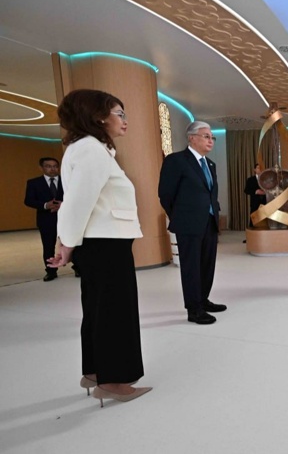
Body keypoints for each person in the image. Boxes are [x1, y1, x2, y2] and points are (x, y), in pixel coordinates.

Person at [47, 89, 151, 405]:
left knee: (98, 309)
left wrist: (67, 242)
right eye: (119, 113)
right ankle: (114, 381)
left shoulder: (86, 149)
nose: (125, 120)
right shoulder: (91, 150)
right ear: (98, 116)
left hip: (100, 243)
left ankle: (95, 371)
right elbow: (77, 203)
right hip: (106, 244)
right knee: (115, 313)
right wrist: (66, 244)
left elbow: (75, 202)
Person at [158, 121, 226, 325]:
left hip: (209, 222)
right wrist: (180, 216)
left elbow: (210, 194)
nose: (210, 140)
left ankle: (203, 300)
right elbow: (165, 194)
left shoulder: (210, 164)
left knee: (207, 265)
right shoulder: (176, 160)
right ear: (192, 138)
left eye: (212, 137)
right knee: (191, 267)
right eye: (206, 136)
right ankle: (194, 309)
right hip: (188, 224)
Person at [24, 157, 64, 281]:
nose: (52, 169)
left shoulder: (66, 180)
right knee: (48, 246)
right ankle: (51, 271)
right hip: (46, 219)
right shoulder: (34, 183)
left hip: (65, 218)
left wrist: (63, 205)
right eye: (48, 166)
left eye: (55, 166)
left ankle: (77, 268)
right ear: (41, 168)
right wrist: (46, 205)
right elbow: (28, 200)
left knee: (72, 244)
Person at [243, 163, 266, 227]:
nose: (260, 169)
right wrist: (256, 191)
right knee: (253, 221)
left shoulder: (266, 179)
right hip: (255, 203)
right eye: (258, 168)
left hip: (264, 203)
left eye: (261, 168)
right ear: (255, 170)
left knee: (264, 222)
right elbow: (246, 190)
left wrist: (265, 192)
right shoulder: (250, 180)